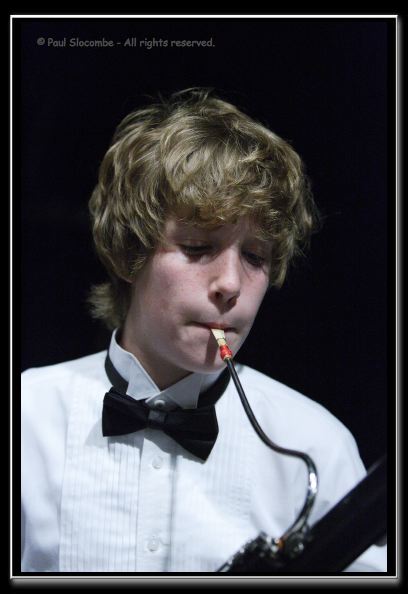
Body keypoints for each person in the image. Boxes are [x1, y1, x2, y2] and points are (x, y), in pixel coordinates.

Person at [21, 88, 386, 573]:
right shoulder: (27, 417)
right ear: (129, 253)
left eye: (255, 256)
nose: (231, 284)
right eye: (197, 247)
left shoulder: (317, 446)